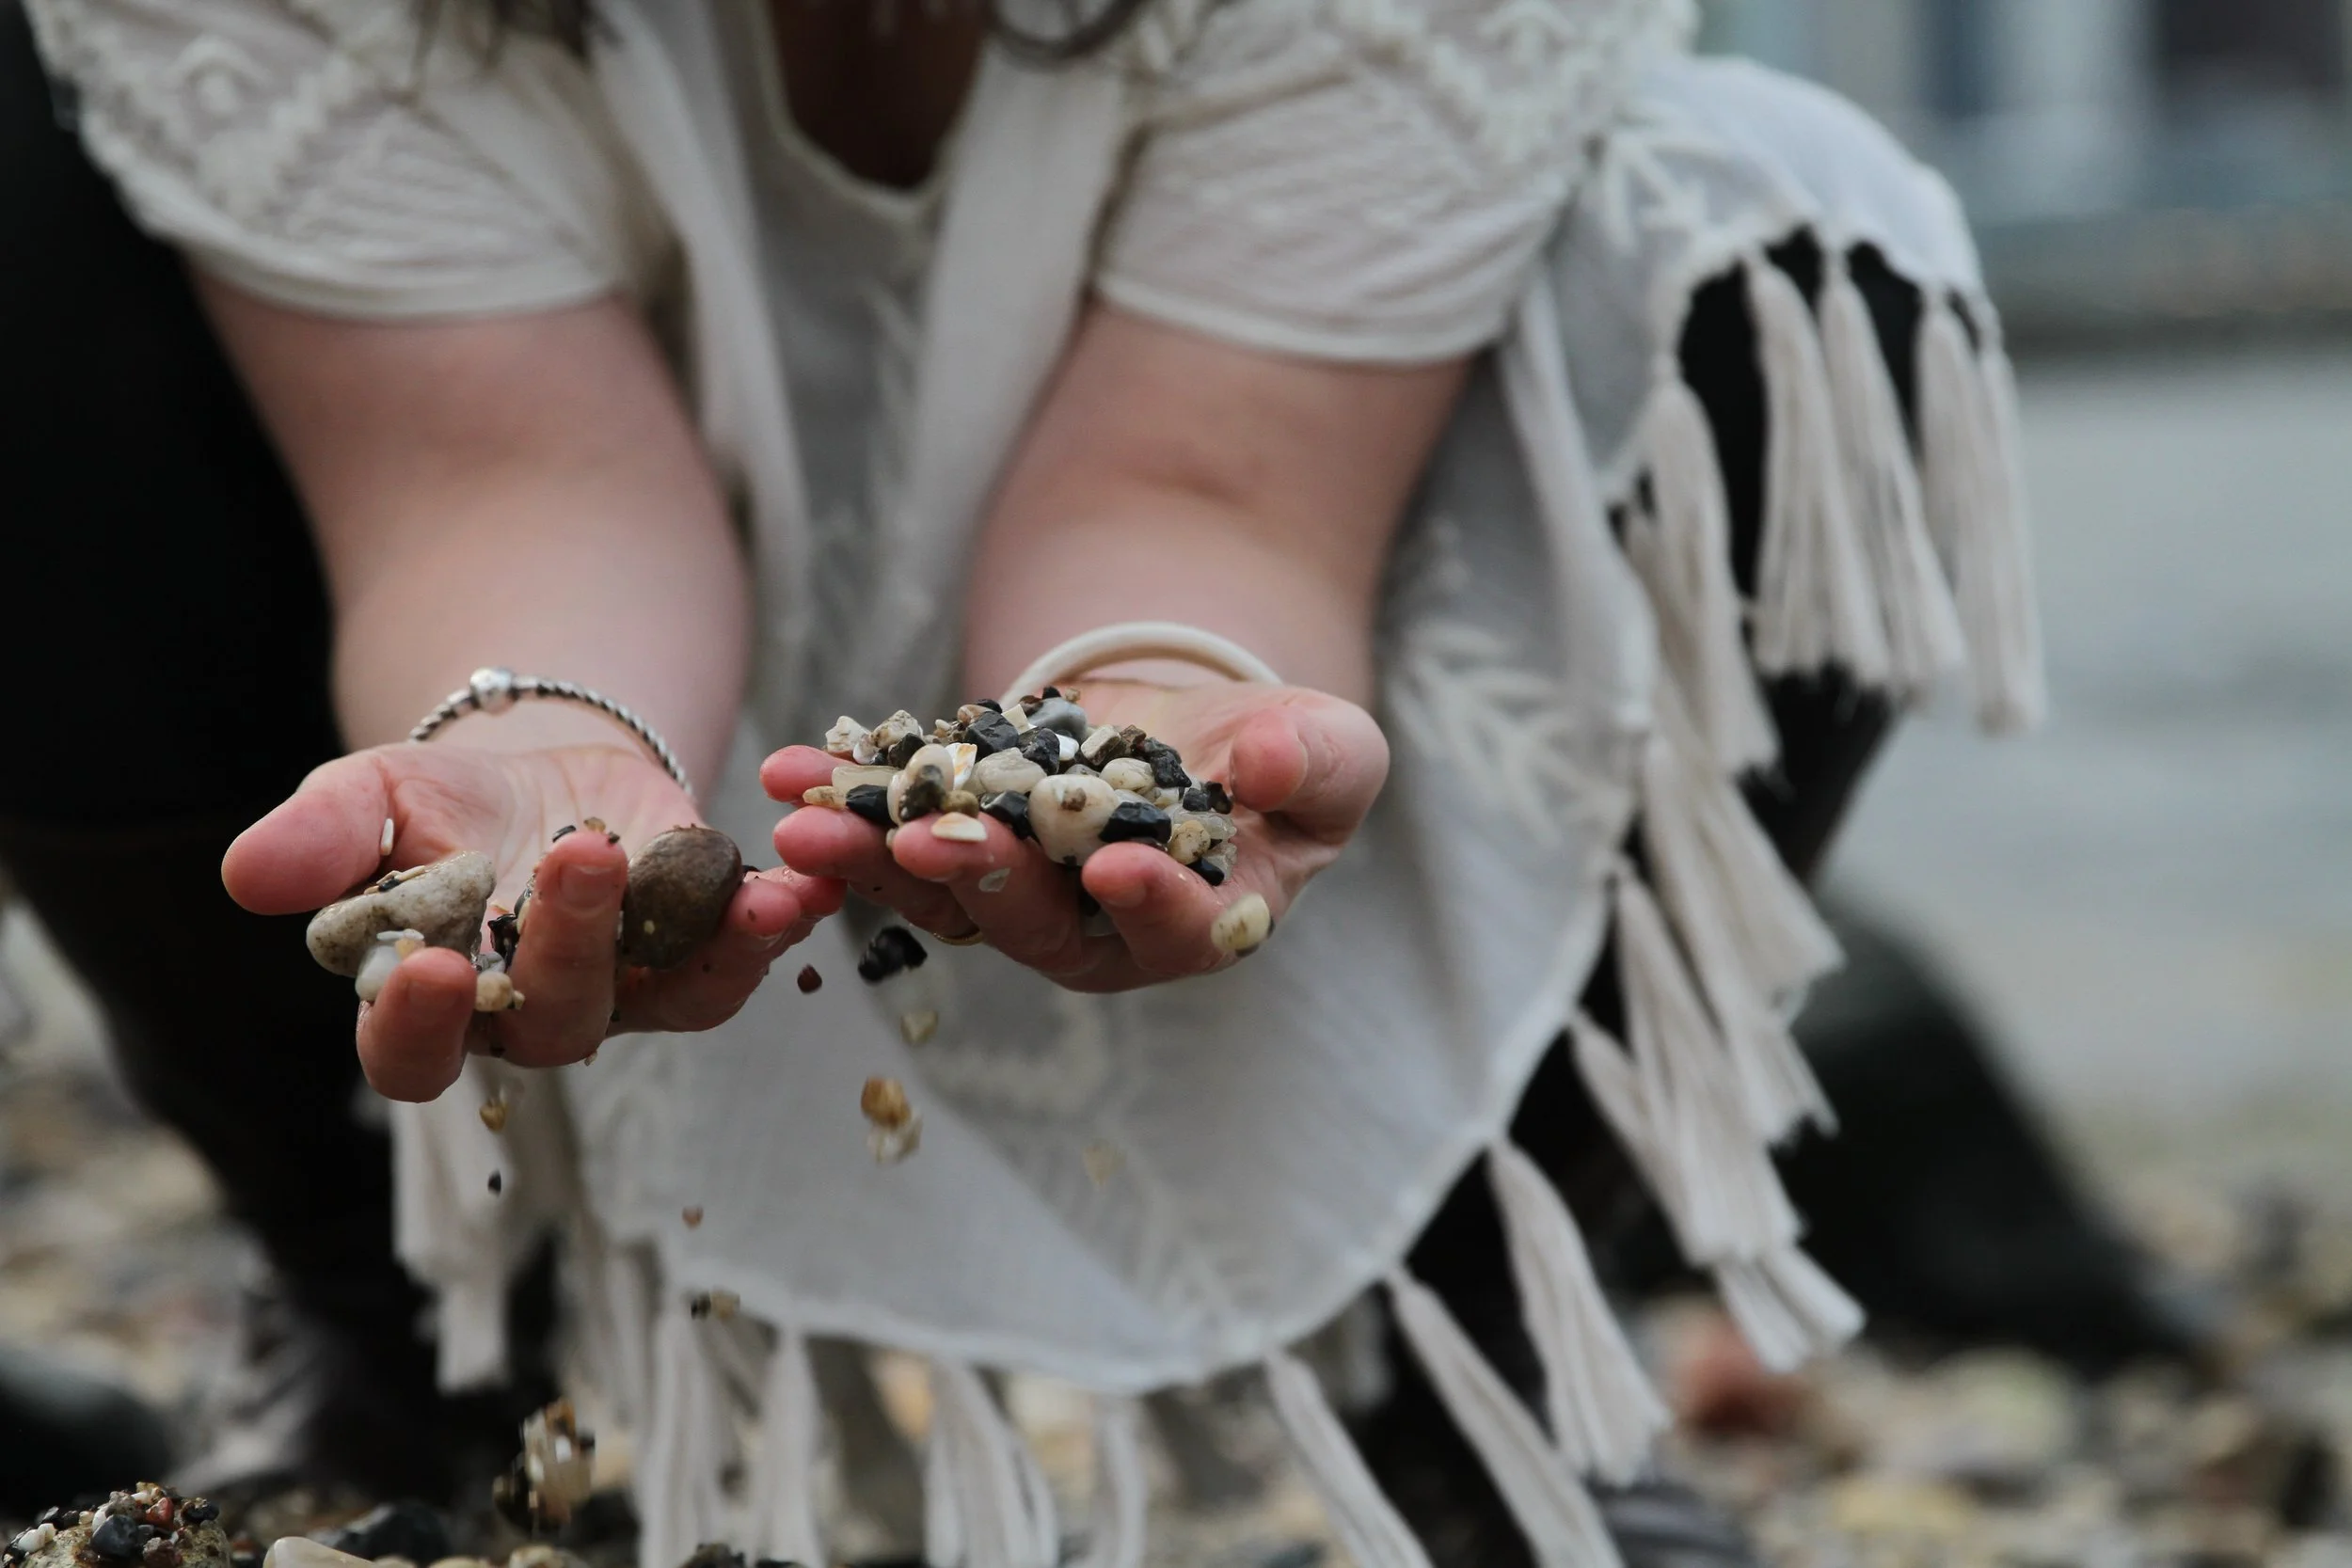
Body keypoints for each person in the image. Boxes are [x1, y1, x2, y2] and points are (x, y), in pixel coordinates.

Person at [16, 2, 2047, 1565]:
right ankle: (404, 1322)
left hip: (1229, 456)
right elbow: (503, 475)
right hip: (584, 482)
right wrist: (520, 739)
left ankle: (1472, 1351)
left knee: (1789, 225)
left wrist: (1161, 705)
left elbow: (1203, 480)